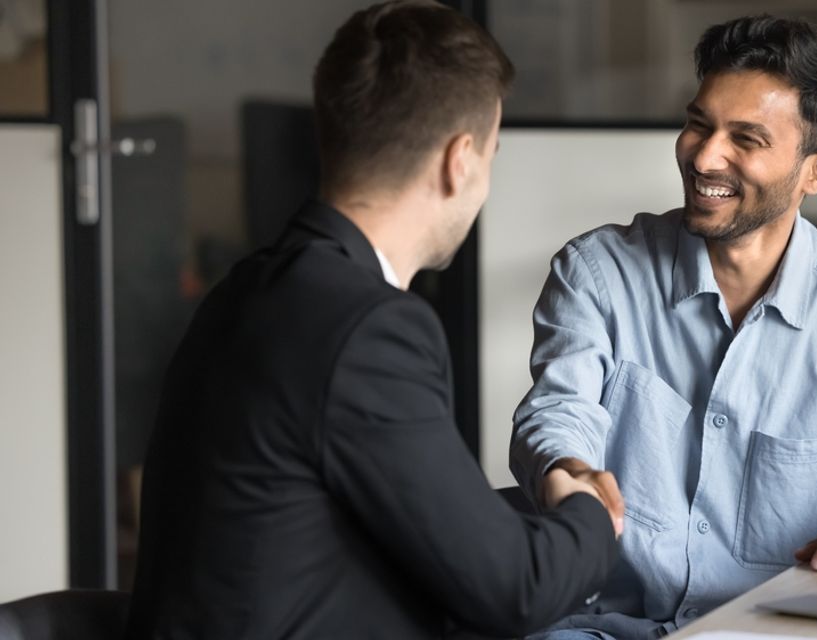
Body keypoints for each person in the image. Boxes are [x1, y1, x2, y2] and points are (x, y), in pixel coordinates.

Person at [125, 2, 625, 638]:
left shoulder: (247, 289)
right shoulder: (367, 328)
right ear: (460, 161)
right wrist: (590, 514)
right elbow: (514, 589)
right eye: (492, 155)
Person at [509, 14, 817, 639]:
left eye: (746, 138)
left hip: (782, 631)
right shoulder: (598, 273)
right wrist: (568, 467)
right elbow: (560, 409)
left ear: (816, 173)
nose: (705, 156)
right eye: (698, 124)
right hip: (602, 627)